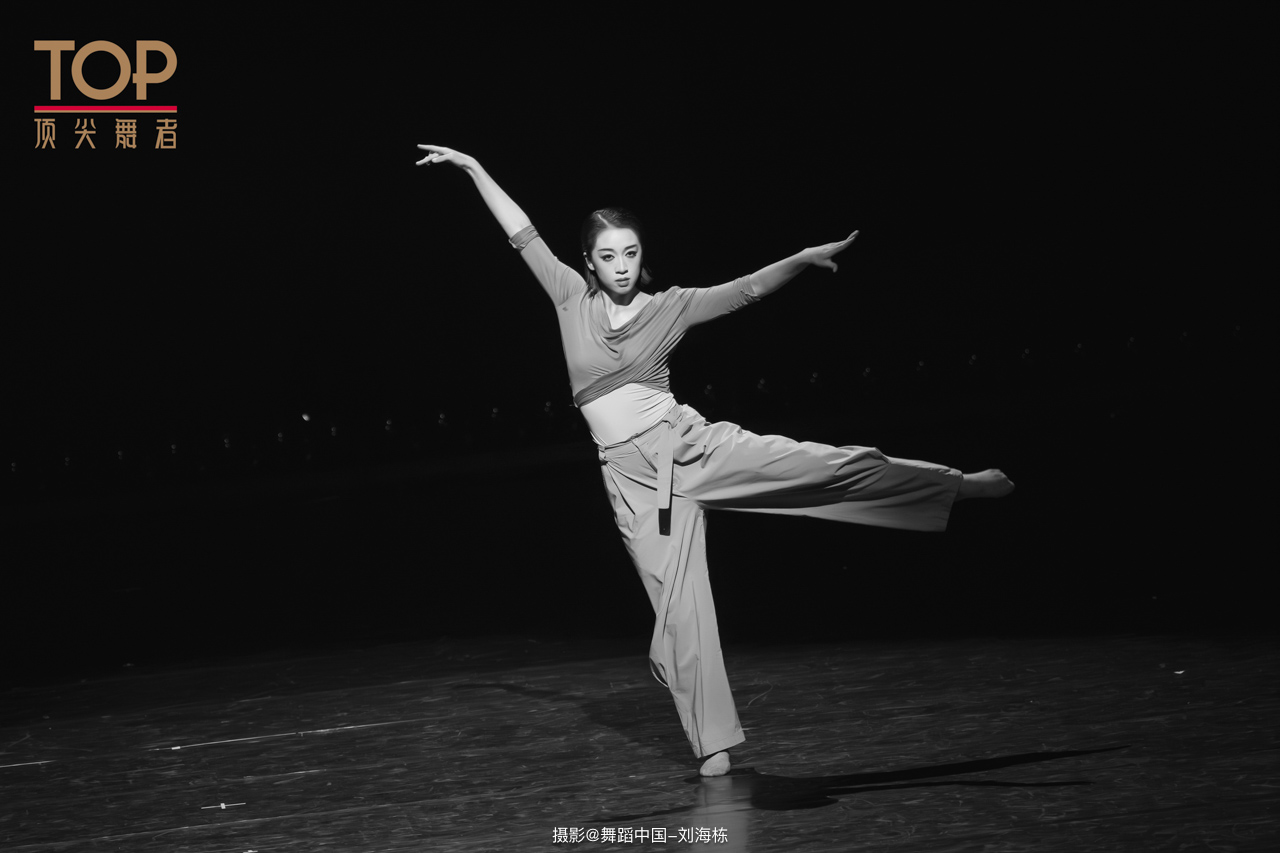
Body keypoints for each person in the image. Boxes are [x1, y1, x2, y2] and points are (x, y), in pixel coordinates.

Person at [415, 144, 1015, 777]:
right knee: (680, 611)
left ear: (642, 256)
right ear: (588, 262)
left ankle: (954, 486)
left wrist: (801, 259)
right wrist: (473, 167)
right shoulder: (569, 298)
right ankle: (714, 743)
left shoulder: (669, 307)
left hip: (686, 449)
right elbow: (521, 231)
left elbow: (745, 291)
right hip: (634, 483)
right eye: (608, 256)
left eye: (631, 253)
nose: (621, 266)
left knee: (818, 466)